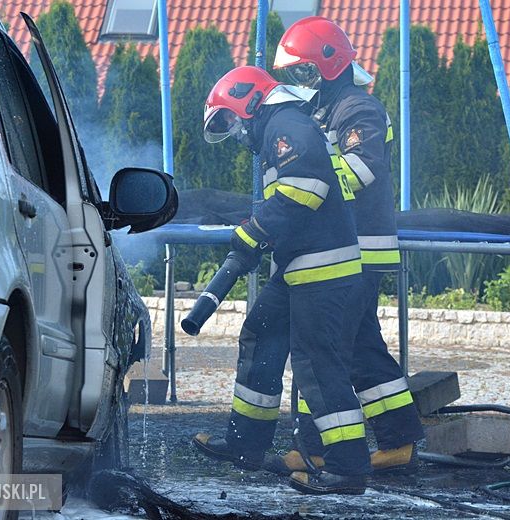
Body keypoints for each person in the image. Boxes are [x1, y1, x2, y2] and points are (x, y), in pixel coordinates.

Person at [192, 65, 370, 494]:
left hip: (323, 273)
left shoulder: (286, 125)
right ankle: (245, 446)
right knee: (260, 335)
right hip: (299, 269)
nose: (234, 133)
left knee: (317, 364)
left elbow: (302, 190)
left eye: (231, 120)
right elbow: (292, 202)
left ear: (249, 101)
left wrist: (252, 235)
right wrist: (259, 233)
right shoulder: (282, 127)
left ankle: (348, 468)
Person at [267, 16, 425, 476]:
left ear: (331, 64)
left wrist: (307, 181)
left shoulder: (359, 108)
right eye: (295, 74)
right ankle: (399, 440)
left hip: (357, 251)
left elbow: (361, 169)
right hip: (343, 249)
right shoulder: (324, 107)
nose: (300, 81)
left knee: (324, 350)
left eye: (305, 70)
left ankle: (319, 449)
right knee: (357, 349)